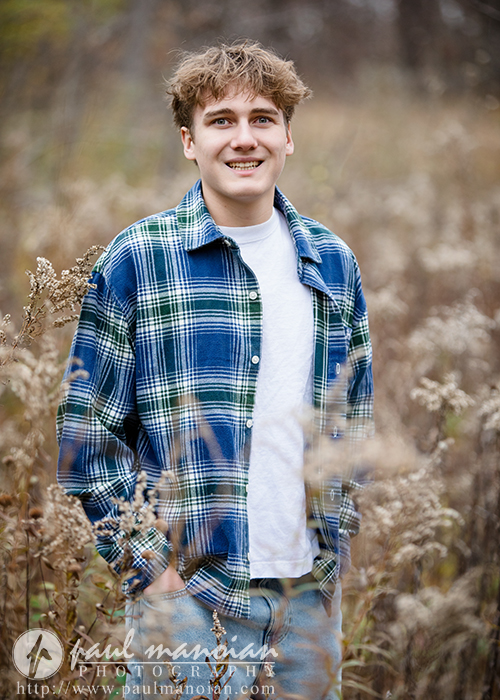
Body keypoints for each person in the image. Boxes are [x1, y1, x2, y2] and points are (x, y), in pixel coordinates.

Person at [57, 41, 373, 700]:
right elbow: (86, 433)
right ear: (188, 141)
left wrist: (336, 540)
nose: (244, 138)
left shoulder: (333, 262)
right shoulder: (139, 258)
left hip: (307, 599)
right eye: (220, 121)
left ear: (288, 137)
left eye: (262, 118)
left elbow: (354, 420)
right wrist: (152, 569)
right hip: (188, 596)